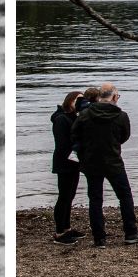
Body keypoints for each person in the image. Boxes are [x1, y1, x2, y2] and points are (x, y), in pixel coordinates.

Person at [70, 82, 138, 246]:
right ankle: (130, 232)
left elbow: (75, 134)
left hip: (91, 162)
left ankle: (99, 239)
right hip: (113, 161)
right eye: (117, 96)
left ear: (100, 96)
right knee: (125, 196)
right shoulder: (121, 116)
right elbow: (124, 137)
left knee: (95, 199)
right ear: (114, 97)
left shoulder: (85, 115)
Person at [50, 90, 85, 244]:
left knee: (70, 195)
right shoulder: (61, 119)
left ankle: (67, 228)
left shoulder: (74, 117)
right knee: (63, 196)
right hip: (64, 162)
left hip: (74, 162)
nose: (79, 103)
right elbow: (62, 143)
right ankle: (59, 232)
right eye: (77, 100)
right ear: (69, 101)